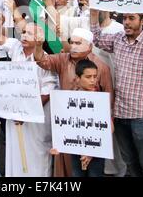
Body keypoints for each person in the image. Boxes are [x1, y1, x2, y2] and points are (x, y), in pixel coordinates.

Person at [90, 9, 143, 177]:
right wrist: (94, 15)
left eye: (131, 18)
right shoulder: (118, 39)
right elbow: (97, 38)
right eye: (124, 18)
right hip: (121, 113)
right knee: (131, 165)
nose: (126, 22)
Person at [0, 0, 57, 176]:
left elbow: (48, 91)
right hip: (14, 112)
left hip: (36, 116)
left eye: (29, 33)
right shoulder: (16, 47)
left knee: (37, 154)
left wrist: (28, 111)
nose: (24, 36)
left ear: (40, 38)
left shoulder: (46, 59)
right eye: (23, 32)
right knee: (15, 153)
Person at [34, 27, 113, 177]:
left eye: (78, 43)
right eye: (72, 42)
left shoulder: (101, 67)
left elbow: (107, 104)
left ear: (90, 46)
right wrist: (38, 45)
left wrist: (93, 147)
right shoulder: (63, 59)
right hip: (70, 127)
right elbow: (41, 60)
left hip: (93, 130)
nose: (73, 46)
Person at [70, 59, 106, 177]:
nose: (92, 80)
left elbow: (108, 128)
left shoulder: (100, 100)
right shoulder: (70, 99)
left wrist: (91, 152)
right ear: (78, 78)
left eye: (95, 77)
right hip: (76, 150)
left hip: (96, 151)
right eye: (88, 77)